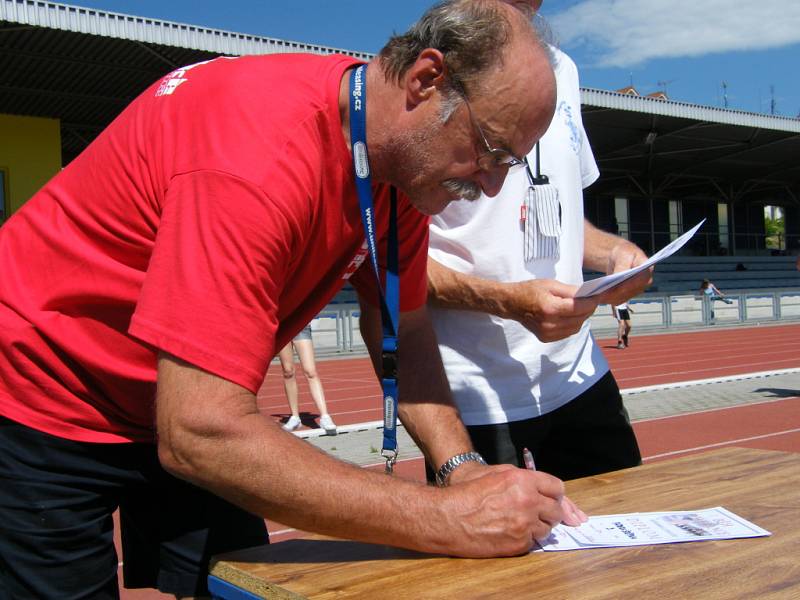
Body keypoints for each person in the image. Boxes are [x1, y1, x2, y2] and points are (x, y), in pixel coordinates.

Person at [0, 2, 588, 597]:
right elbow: (201, 430)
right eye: (490, 148)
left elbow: (404, 328)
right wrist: (447, 519)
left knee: (242, 584)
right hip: (38, 390)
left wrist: (462, 470)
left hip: (171, 395)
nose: (489, 183)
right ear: (426, 79)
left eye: (511, 164)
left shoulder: (398, 169)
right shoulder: (255, 159)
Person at [426, 0, 646, 483]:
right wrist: (505, 300)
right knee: (502, 554)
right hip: (478, 392)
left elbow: (562, 211)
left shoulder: (561, 67)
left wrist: (612, 253)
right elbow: (393, 258)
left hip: (578, 372)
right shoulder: (433, 64)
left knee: (629, 534)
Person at [279, 323, 337, 435]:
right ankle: (295, 417)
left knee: (310, 371)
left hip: (300, 325)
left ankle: (325, 416)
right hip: (282, 327)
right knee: (288, 372)